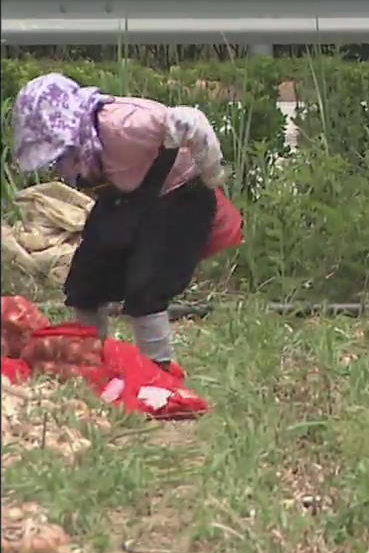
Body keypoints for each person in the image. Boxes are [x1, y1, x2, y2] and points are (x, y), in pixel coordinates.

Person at [11, 73, 228, 371]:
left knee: (146, 285)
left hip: (181, 197)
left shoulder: (125, 124)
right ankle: (91, 359)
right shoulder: (81, 151)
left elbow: (191, 120)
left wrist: (211, 171)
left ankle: (158, 372)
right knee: (85, 281)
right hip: (127, 197)